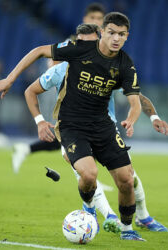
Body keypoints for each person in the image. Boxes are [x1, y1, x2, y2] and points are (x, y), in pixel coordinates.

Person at [0, 13, 168, 241]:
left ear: (126, 37)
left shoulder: (125, 65)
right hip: (71, 125)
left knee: (126, 178)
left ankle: (127, 228)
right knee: (89, 174)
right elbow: (39, 51)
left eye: (121, 35)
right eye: (111, 32)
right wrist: (10, 79)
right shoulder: (80, 49)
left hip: (103, 126)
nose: (115, 38)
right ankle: (89, 204)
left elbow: (134, 100)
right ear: (102, 31)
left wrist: (132, 119)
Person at [12, 2, 107, 171]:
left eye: (100, 18)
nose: (97, 21)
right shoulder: (72, 43)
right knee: (73, 140)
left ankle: (26, 149)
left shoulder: (103, 48)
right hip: (70, 101)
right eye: (93, 18)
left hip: (94, 105)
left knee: (65, 142)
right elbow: (52, 62)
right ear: (85, 19)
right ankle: (91, 183)